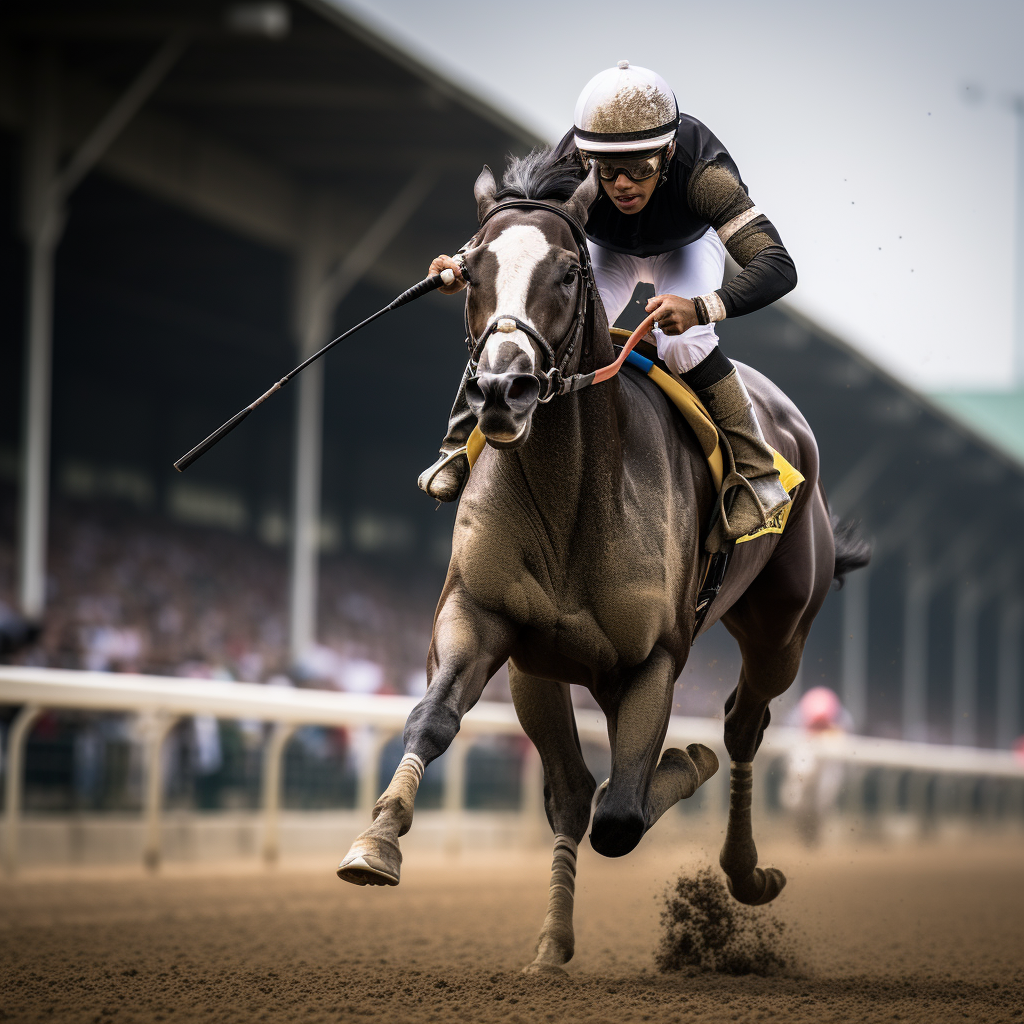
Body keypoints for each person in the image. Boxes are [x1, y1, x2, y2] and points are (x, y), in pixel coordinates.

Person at [419, 61, 797, 542]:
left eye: (638, 169)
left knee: (684, 345)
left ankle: (757, 472)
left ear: (669, 151)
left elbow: (778, 265)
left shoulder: (705, 177)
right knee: (530, 310)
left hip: (687, 247)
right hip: (608, 250)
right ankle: (457, 446)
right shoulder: (574, 157)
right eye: (608, 169)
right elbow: (516, 232)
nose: (620, 184)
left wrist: (701, 307)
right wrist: (460, 262)